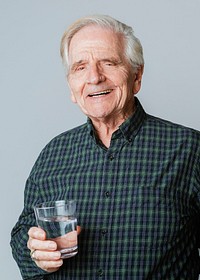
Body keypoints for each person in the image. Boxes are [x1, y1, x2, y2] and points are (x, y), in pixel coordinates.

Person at [10, 14, 200, 280]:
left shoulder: (190, 149)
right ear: (71, 88)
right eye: (80, 67)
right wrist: (37, 255)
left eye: (108, 63)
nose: (94, 77)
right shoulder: (53, 153)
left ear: (137, 75)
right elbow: (22, 234)